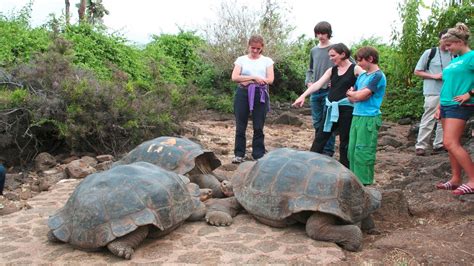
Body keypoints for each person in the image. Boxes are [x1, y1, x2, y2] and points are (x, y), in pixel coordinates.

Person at [293, 43, 364, 167]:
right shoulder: (332, 70)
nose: (331, 58)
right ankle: (307, 165)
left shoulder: (355, 69)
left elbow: (368, 80)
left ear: (343, 54)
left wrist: (356, 91)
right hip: (331, 108)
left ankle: (345, 170)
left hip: (347, 109)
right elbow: (317, 84)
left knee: (345, 141)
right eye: (330, 56)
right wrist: (303, 96)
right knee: (320, 136)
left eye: (333, 56)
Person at [434, 23, 474, 195]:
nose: (447, 49)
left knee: (450, 142)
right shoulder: (455, 60)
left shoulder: (471, 57)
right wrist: (439, 106)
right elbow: (447, 84)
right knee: (449, 144)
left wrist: (470, 93)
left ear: (459, 42)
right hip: (446, 105)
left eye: (449, 45)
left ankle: (473, 180)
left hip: (460, 105)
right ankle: (456, 179)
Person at [346, 47, 387, 185]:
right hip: (356, 115)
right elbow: (352, 97)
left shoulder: (378, 76)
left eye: (360, 60)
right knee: (351, 150)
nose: (358, 64)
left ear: (370, 59)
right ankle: (354, 182)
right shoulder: (363, 76)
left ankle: (365, 183)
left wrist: (354, 94)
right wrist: (354, 94)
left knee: (363, 151)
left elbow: (362, 96)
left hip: (369, 117)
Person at [231, 35, 274, 164]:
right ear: (248, 46)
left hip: (260, 94)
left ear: (262, 48)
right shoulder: (241, 60)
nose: (255, 51)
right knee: (240, 125)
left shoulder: (267, 61)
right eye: (253, 48)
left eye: (258, 48)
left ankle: (258, 153)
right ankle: (239, 154)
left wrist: (250, 80)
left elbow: (270, 79)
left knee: (258, 125)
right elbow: (234, 77)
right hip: (243, 93)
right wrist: (253, 78)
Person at [414, 29, 452, 156]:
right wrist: (434, 76)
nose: (446, 41)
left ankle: (439, 144)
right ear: (439, 39)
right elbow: (417, 71)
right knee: (429, 117)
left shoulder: (455, 54)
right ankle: (421, 146)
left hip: (449, 91)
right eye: (444, 38)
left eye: (449, 39)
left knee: (444, 118)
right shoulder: (430, 53)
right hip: (432, 91)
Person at [305, 21, 336, 156]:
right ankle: (319, 150)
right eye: (318, 33)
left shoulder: (336, 48)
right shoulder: (314, 50)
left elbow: (349, 65)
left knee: (328, 122)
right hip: (315, 91)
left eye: (323, 33)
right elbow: (310, 69)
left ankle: (327, 152)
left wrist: (337, 81)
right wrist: (308, 82)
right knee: (317, 122)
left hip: (330, 91)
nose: (321, 36)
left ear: (329, 33)